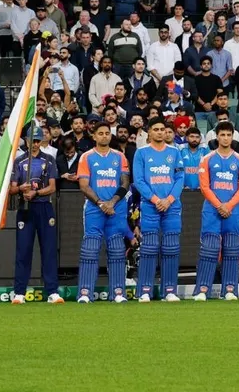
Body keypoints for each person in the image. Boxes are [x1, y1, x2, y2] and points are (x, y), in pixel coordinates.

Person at [75, 121, 131, 303]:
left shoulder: (120, 157)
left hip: (116, 208)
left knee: (116, 249)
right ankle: (85, 293)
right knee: (90, 249)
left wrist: (111, 202)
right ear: (94, 136)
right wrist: (101, 203)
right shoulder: (86, 157)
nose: (104, 136)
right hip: (94, 209)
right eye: (101, 133)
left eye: (107, 133)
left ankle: (118, 292)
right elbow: (83, 185)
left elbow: (125, 183)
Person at [194, 121, 239, 301]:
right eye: (222, 134)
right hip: (212, 210)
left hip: (233, 211)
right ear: (216, 136)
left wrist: (229, 206)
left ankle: (230, 290)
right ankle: (202, 290)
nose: (225, 138)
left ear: (232, 136)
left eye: (228, 134)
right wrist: (219, 205)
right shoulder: (206, 159)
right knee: (209, 249)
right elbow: (204, 187)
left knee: (232, 250)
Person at [132, 117, 185, 302]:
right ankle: (145, 290)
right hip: (150, 206)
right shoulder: (141, 153)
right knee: (149, 248)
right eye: (156, 129)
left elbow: (180, 178)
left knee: (171, 247)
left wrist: (169, 200)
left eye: (163, 129)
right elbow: (138, 181)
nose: (160, 132)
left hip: (171, 206)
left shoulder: (174, 152)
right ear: (149, 132)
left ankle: (169, 290)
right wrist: (156, 200)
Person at [9, 128, 60, 304]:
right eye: (32, 140)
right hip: (25, 208)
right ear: (26, 140)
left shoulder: (49, 160)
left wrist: (36, 194)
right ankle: (19, 292)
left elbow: (52, 187)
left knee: (49, 250)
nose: (35, 144)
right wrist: (22, 189)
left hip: (44, 207)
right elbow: (12, 188)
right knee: (23, 250)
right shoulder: (19, 161)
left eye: (38, 140)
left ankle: (52, 292)